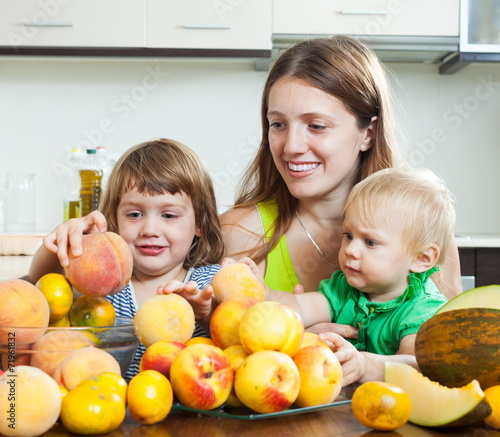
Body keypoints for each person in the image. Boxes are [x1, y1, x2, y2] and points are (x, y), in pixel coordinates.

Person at [219, 36, 462, 340]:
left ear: (368, 133)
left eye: (316, 126)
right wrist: (295, 341)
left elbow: (449, 360)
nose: (291, 147)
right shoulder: (242, 232)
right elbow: (221, 352)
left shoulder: (424, 232)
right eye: (278, 124)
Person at [174, 167, 455, 386]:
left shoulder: (422, 308)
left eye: (370, 242)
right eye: (348, 235)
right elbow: (300, 307)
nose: (350, 250)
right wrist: (262, 292)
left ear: (422, 259)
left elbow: (419, 365)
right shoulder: (345, 289)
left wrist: (365, 365)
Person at [28, 138, 225, 380]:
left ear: (200, 224)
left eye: (169, 215)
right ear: (114, 221)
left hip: (190, 413)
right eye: (134, 214)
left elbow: (232, 333)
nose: (150, 229)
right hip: (108, 406)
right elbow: (42, 283)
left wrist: (205, 314)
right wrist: (62, 243)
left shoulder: (209, 282)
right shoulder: (101, 289)